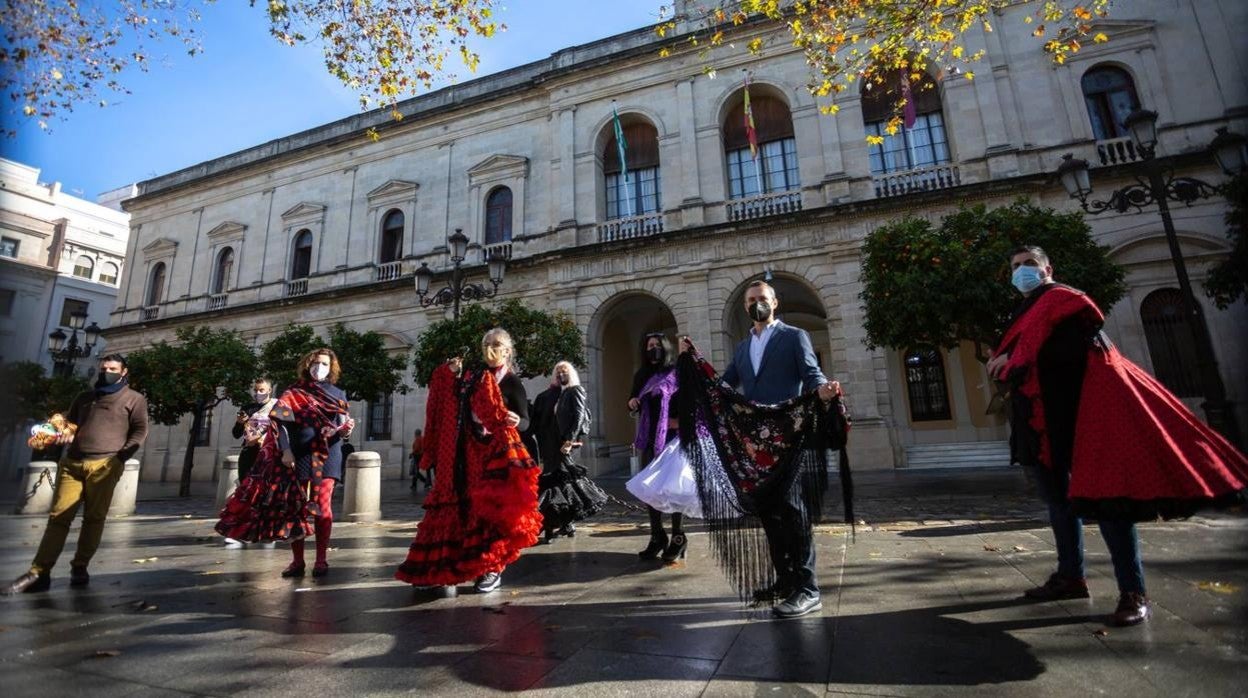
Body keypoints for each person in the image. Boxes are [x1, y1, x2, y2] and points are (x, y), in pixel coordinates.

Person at [988, 246, 1247, 626]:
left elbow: (1079, 344)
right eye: (1015, 266)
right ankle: (1071, 576)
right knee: (1058, 502)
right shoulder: (1022, 312)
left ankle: (1132, 591)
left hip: (1085, 414)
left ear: (1047, 268)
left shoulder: (1064, 299)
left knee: (1110, 502)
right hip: (1041, 420)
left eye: (1029, 264)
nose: (1022, 271)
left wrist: (1014, 361)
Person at [679, 280, 841, 619]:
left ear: (775, 302)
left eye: (762, 299)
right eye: (752, 300)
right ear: (745, 306)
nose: (757, 304)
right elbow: (725, 386)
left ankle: (808, 589)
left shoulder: (794, 336)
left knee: (793, 510)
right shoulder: (741, 347)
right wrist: (695, 367)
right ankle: (784, 581)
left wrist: (823, 389)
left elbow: (810, 373)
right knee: (769, 511)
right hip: (756, 443)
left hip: (788, 434)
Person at [395, 328, 541, 596]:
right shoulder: (473, 377)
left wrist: (517, 421)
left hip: (497, 455)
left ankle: (491, 568)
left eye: (496, 344)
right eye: (486, 343)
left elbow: (527, 420)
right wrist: (449, 373)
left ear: (508, 350)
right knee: (464, 508)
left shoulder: (511, 382)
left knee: (490, 512)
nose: (490, 348)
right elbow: (450, 397)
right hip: (466, 453)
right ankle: (449, 567)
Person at [4, 354, 149, 594]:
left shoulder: (134, 399)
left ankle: (80, 566)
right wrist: (62, 434)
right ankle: (39, 572)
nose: (106, 372)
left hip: (105, 464)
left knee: (94, 519)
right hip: (72, 462)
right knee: (58, 517)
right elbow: (70, 425)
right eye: (103, 368)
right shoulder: (84, 397)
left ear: (124, 372)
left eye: (112, 368)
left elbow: (140, 430)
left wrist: (119, 458)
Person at [215, 348, 354, 579]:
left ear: (332, 368)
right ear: (307, 365)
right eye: (315, 363)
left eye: (324, 364)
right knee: (295, 508)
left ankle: (321, 560)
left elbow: (341, 427)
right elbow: (281, 425)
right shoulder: (294, 392)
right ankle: (297, 561)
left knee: (323, 506)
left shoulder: (339, 393)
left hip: (328, 455)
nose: (319, 367)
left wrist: (347, 431)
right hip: (299, 455)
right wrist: (286, 451)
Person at [531, 361, 607, 543]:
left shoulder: (575, 391)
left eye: (564, 372)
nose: (561, 375)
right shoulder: (553, 394)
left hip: (564, 444)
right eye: (558, 372)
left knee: (561, 483)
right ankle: (565, 522)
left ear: (570, 373)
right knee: (560, 484)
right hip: (551, 445)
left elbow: (579, 416)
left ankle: (554, 524)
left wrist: (569, 440)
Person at [627, 333, 687, 562]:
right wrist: (632, 402)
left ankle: (678, 538)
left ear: (665, 347)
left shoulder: (676, 373)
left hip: (672, 437)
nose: (652, 349)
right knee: (651, 490)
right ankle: (657, 536)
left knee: (672, 489)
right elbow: (633, 402)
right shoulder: (642, 375)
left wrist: (680, 421)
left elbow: (690, 401)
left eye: (656, 345)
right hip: (649, 438)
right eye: (649, 345)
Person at [223, 377, 279, 549]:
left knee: (266, 494)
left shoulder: (277, 407)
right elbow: (236, 434)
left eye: (262, 390)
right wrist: (240, 423)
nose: (258, 393)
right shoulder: (247, 408)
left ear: (269, 390)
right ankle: (240, 532)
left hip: (268, 455)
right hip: (248, 454)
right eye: (256, 390)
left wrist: (264, 438)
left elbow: (281, 430)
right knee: (245, 493)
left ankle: (267, 532)